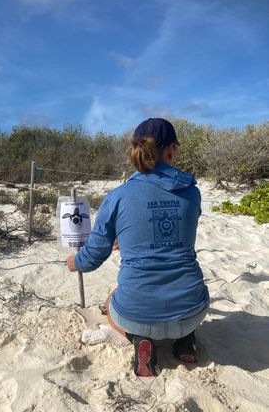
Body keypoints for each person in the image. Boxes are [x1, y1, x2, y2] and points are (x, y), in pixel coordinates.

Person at [66, 118, 209, 377]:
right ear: (170, 151)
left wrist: (73, 262)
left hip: (138, 313)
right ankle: (186, 341)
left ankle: (139, 340)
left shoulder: (117, 196)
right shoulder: (192, 193)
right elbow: (178, 232)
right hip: (193, 312)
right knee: (188, 295)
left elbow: (93, 257)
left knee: (112, 302)